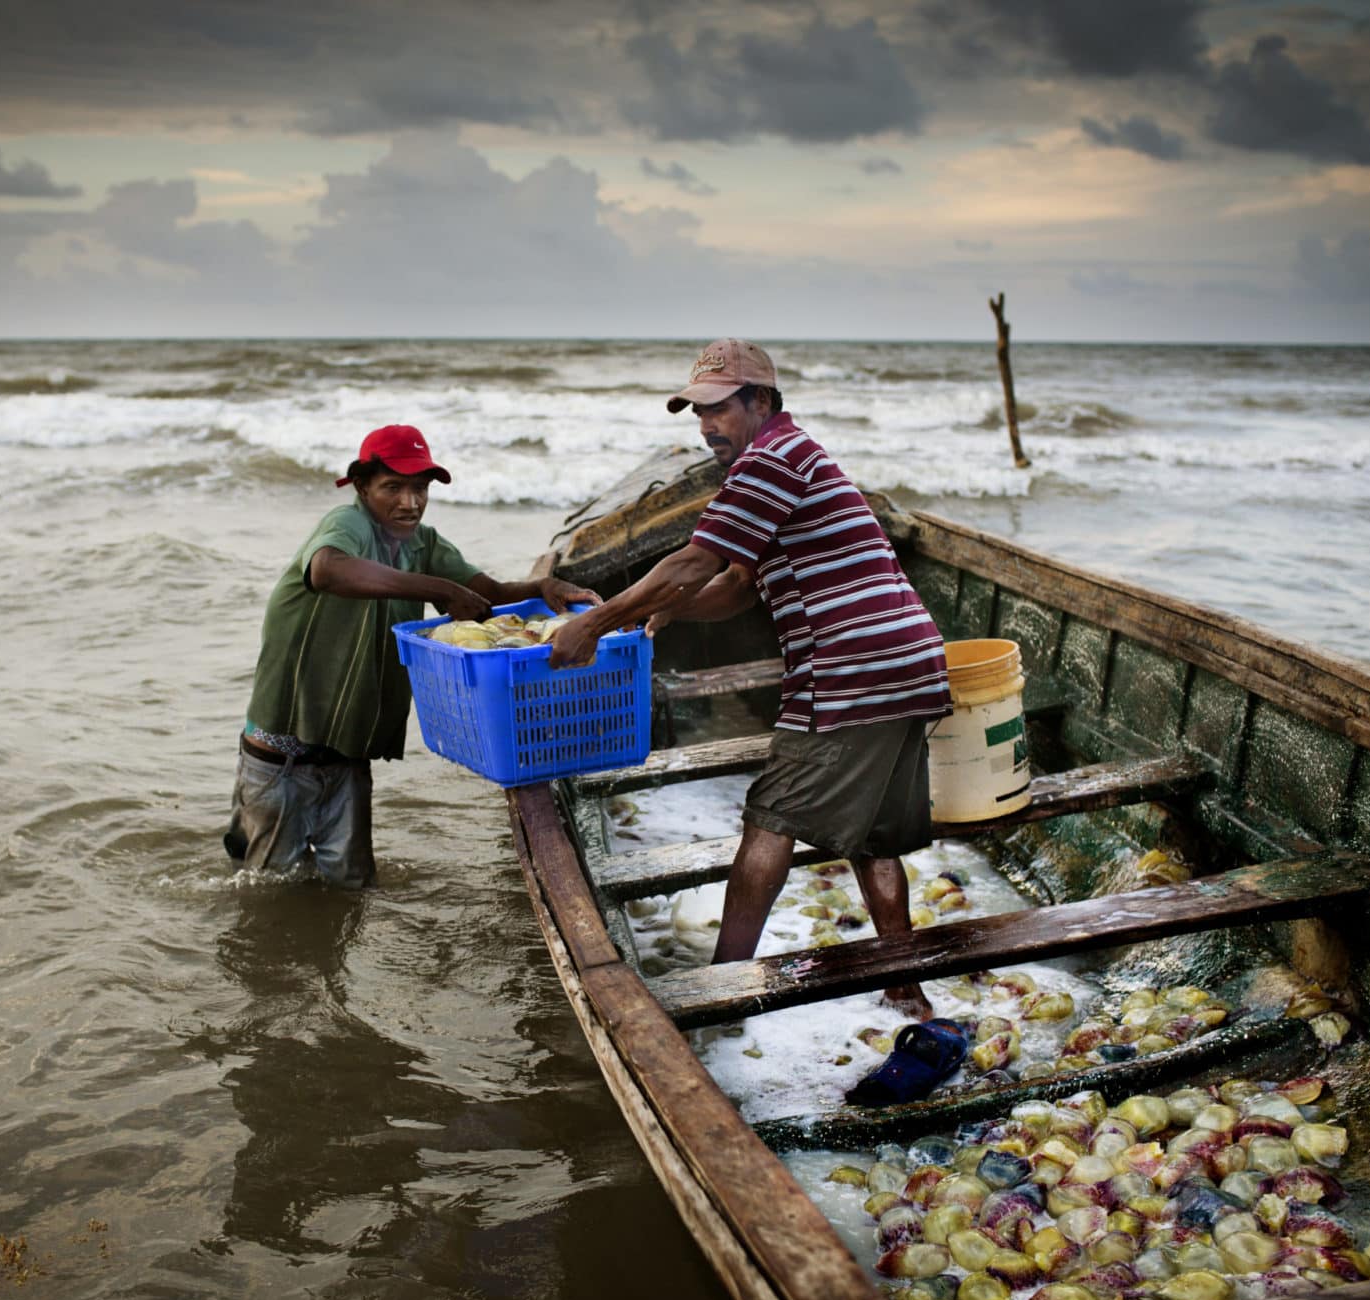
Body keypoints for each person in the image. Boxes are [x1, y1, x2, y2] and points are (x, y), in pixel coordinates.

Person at [548, 340, 950, 1015]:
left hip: (849, 669)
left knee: (769, 819)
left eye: (717, 410)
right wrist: (664, 614)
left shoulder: (770, 460)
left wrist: (596, 620)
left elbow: (695, 562)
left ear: (761, 402)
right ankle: (904, 989)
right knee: (876, 836)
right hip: (904, 663)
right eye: (695, 413)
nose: (705, 426)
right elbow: (736, 586)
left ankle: (722, 991)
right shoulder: (791, 457)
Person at [226, 423, 599, 889]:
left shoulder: (422, 544)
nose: (410, 503)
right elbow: (326, 570)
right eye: (393, 487)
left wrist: (542, 586)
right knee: (270, 895)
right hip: (282, 757)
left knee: (352, 887)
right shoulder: (348, 526)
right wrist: (438, 588)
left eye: (420, 488)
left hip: (345, 754)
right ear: (362, 487)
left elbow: (487, 596)